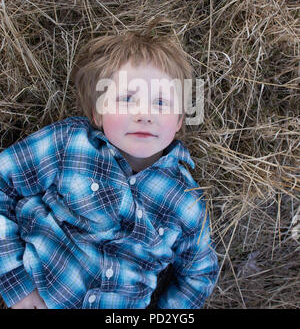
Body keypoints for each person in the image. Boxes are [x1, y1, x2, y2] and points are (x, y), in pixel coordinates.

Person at [0, 19, 219, 309]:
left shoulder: (185, 200)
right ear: (98, 113)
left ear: (179, 121)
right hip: (37, 289)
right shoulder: (70, 144)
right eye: (127, 99)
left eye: (161, 104)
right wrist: (16, 284)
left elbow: (199, 273)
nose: (145, 114)